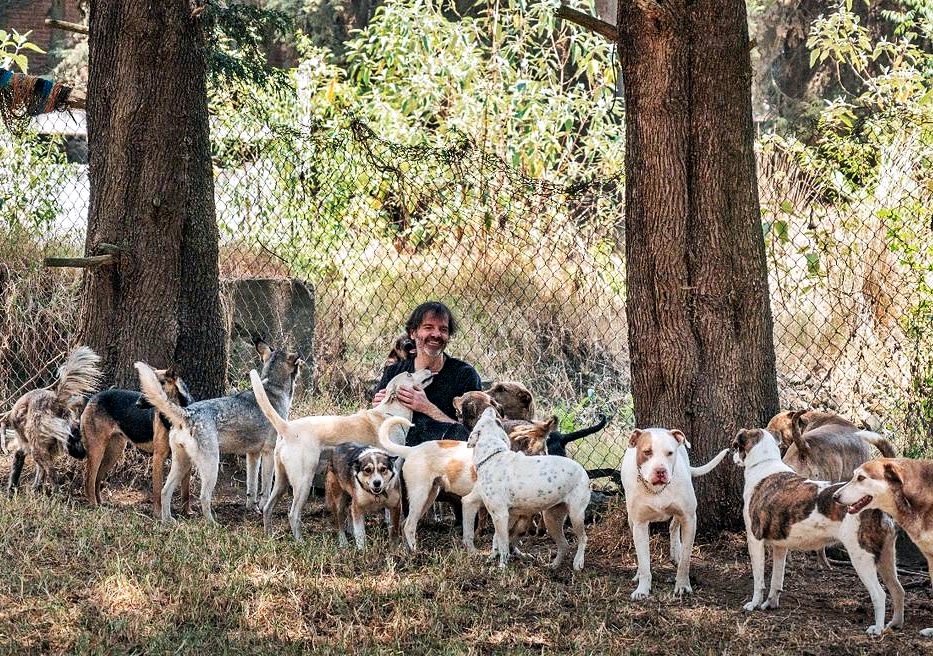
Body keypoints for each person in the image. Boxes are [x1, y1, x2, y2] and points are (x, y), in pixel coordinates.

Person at [372, 301, 481, 445]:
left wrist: (427, 408)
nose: (436, 334)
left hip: (445, 456)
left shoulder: (465, 375)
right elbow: (378, 428)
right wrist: (378, 409)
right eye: (428, 327)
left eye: (443, 329)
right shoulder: (395, 372)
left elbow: (474, 435)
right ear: (413, 333)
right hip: (399, 454)